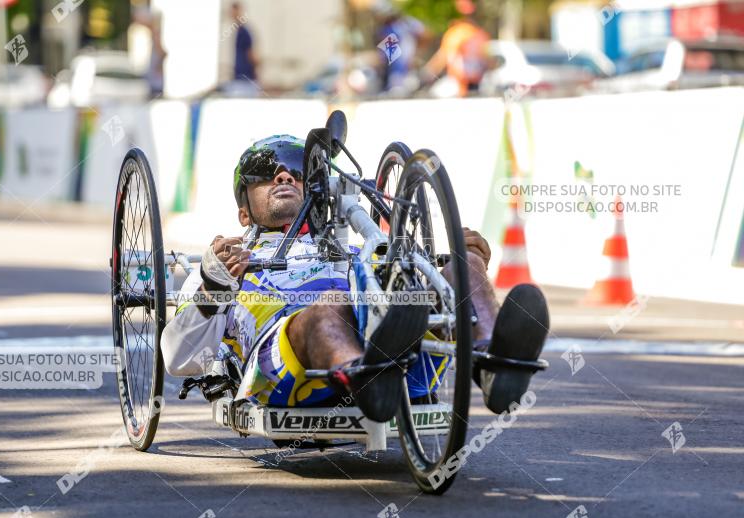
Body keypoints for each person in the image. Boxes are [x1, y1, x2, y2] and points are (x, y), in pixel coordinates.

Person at [161, 136, 549, 422]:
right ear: (244, 212)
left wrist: (460, 265)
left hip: (397, 349)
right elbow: (180, 360)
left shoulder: (353, 243)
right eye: (264, 174)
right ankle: (367, 379)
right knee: (329, 306)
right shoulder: (223, 263)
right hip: (287, 370)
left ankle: (492, 361)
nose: (283, 174)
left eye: (298, 171)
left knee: (460, 266)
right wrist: (212, 291)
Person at [422, 0, 490, 97]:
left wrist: (426, 73)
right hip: (478, 84)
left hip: (459, 84)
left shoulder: (456, 33)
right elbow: (489, 61)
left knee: (434, 95)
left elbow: (443, 57)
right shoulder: (482, 35)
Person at [374, 1, 427, 93]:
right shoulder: (385, 29)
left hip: (404, 73)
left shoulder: (406, 24)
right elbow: (386, 56)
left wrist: (417, 54)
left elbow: (424, 34)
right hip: (393, 74)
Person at [231, 2, 257, 83]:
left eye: (235, 12)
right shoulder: (238, 32)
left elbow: (252, 55)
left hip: (246, 79)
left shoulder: (245, 32)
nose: (233, 15)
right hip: (238, 77)